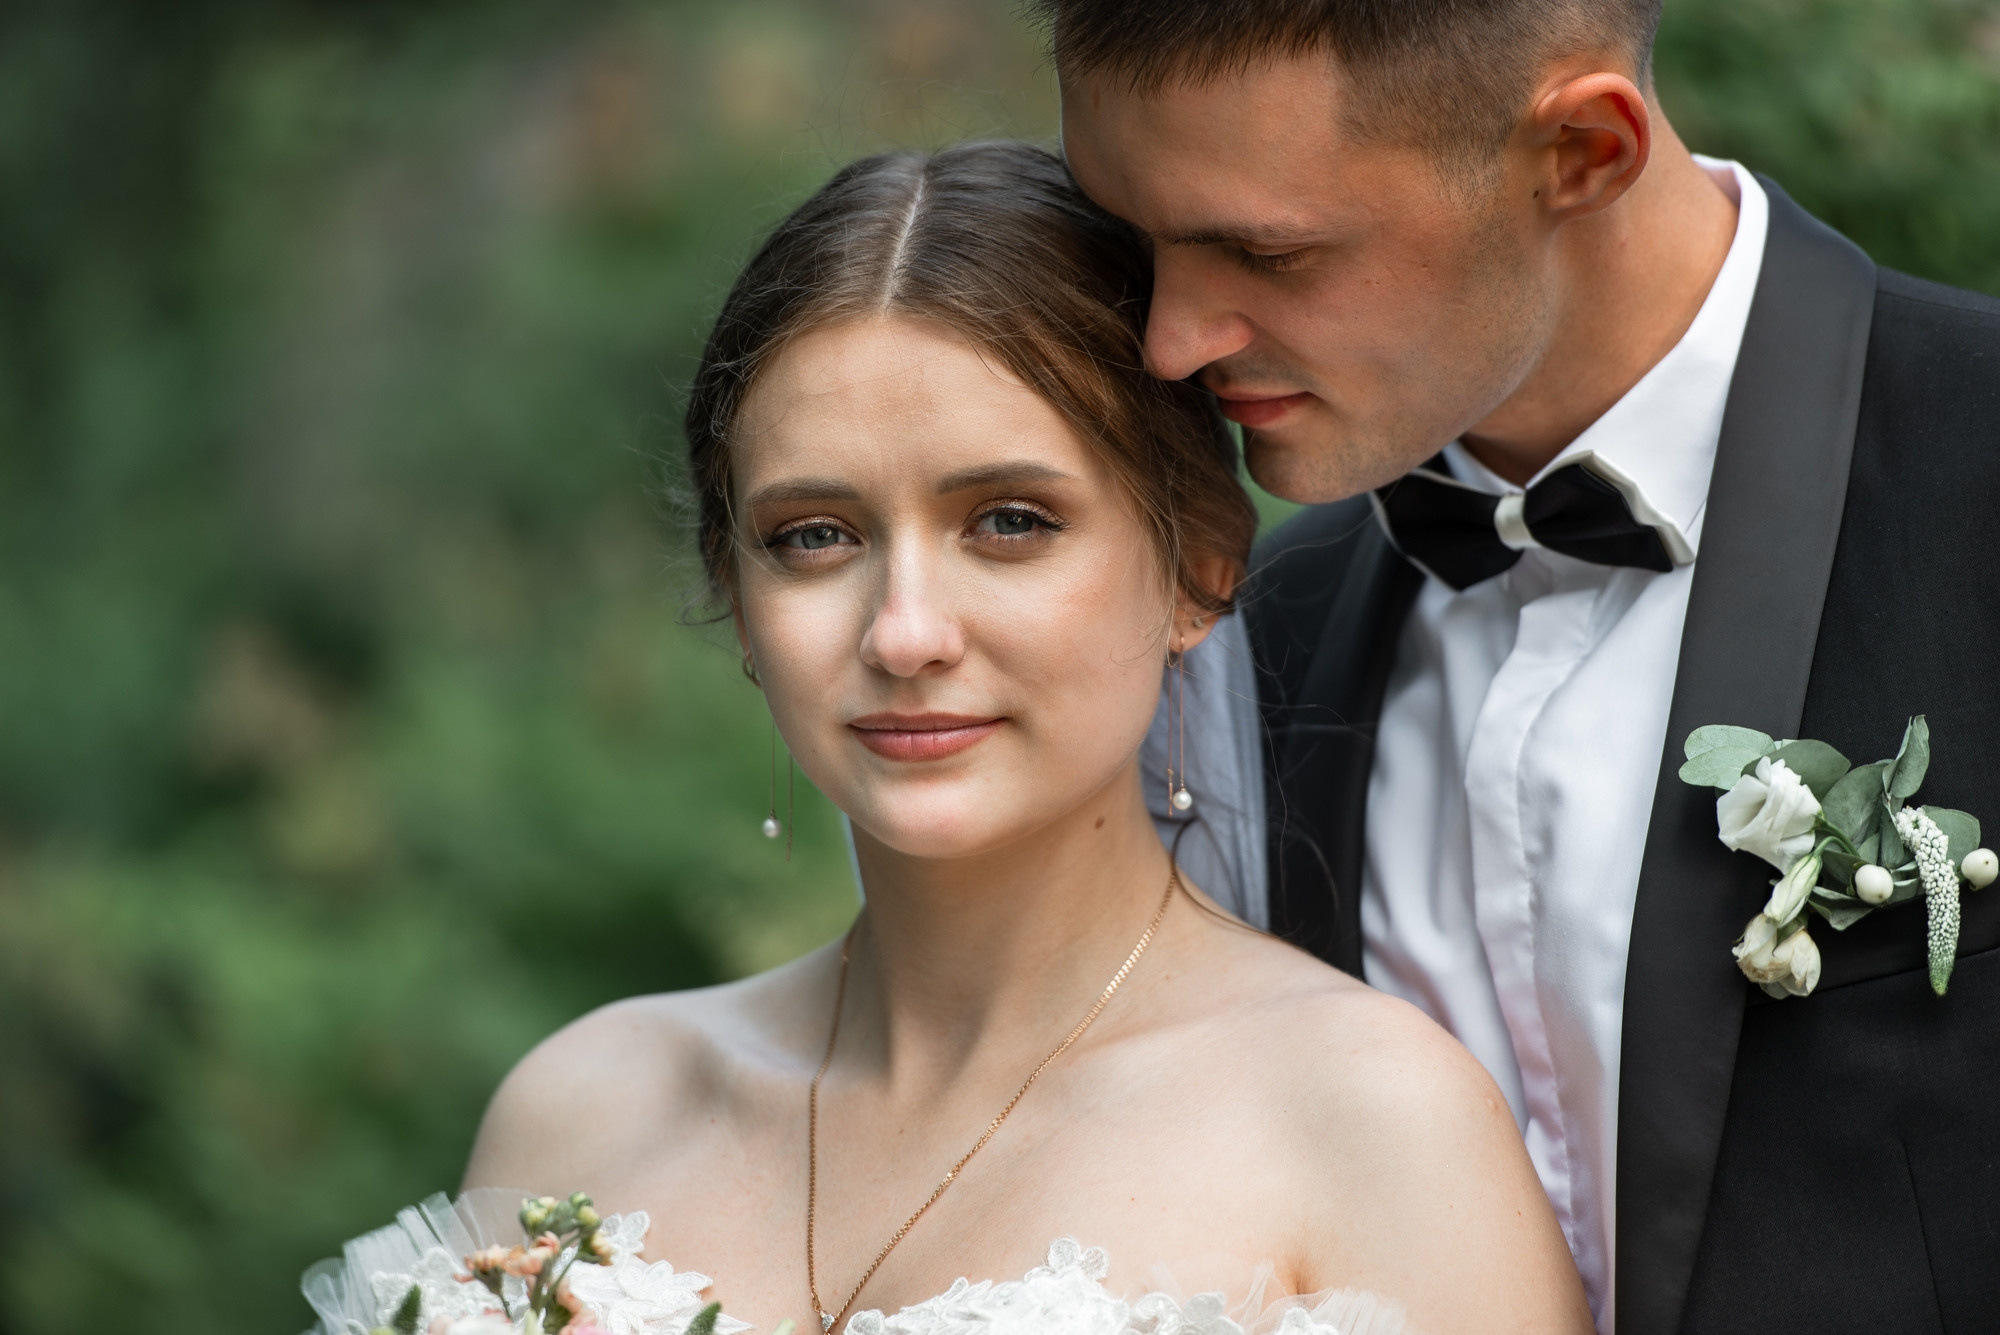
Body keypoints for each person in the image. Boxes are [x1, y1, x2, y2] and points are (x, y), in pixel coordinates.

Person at [299, 143, 1592, 1335]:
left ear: (1199, 566)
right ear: (738, 600)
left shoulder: (1369, 1127)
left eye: (1010, 522)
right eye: (816, 537)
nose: (905, 632)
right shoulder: (585, 1107)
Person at [1046, 2, 2000, 1333]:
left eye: (1267, 250)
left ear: (1584, 153)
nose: (1171, 339)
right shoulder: (1237, 645)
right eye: (1134, 241)